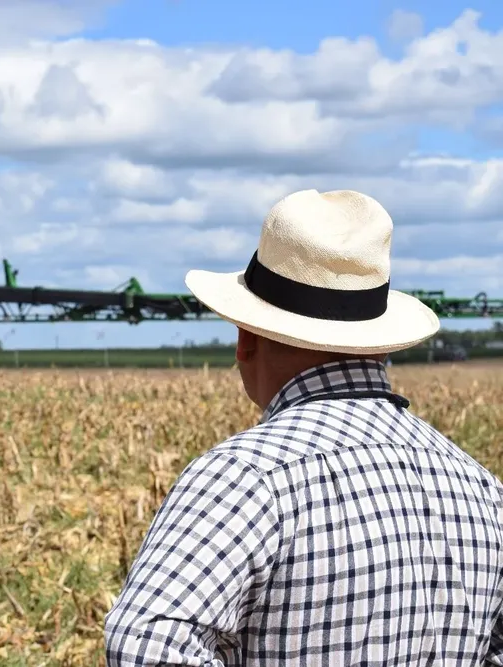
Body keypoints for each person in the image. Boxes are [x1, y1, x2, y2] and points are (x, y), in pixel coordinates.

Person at [104, 189, 503, 665]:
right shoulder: (479, 486)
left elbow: (146, 645)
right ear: (380, 343)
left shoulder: (245, 477)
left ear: (245, 338)